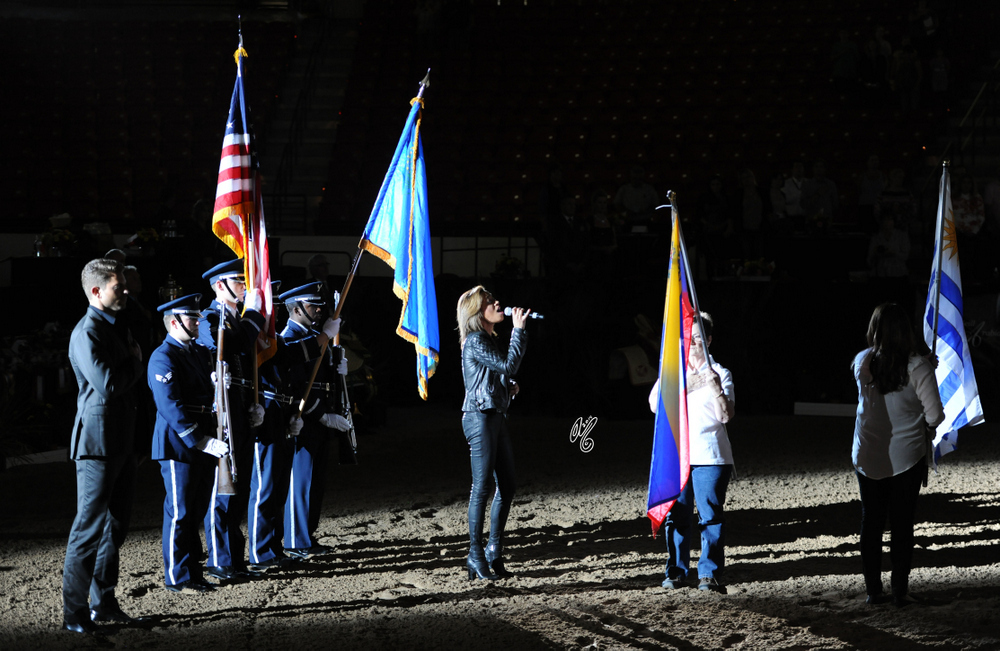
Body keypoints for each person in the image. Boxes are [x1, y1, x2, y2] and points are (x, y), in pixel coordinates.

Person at [63, 258, 145, 633]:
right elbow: (109, 385)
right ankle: (74, 613)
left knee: (114, 528)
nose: (125, 290)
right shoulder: (87, 332)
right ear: (96, 291)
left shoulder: (110, 327)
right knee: (88, 529)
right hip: (97, 445)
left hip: (118, 442)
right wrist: (135, 362)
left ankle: (103, 602)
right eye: (118, 285)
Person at [851, 303, 944, 607]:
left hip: (867, 455)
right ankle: (899, 592)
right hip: (906, 457)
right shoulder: (918, 368)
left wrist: (922, 366)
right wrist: (926, 368)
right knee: (902, 524)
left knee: (871, 522)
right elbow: (935, 416)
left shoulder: (861, 362)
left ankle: (872, 590)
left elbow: (885, 372)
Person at [148, 294, 230, 594]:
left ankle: (194, 571)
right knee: (180, 511)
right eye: (191, 318)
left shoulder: (197, 352)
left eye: (196, 317)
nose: (197, 321)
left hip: (203, 437)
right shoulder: (163, 356)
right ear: (174, 322)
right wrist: (200, 440)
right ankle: (177, 576)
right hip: (178, 444)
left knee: (195, 511)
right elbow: (171, 407)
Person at [648, 312, 735, 594]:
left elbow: (726, 416)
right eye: (689, 337)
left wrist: (716, 389)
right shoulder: (673, 371)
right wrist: (692, 383)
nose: (693, 343)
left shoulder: (720, 372)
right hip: (678, 456)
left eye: (699, 338)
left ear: (709, 341)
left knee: (710, 517)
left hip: (710, 455)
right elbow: (654, 404)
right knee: (678, 516)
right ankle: (676, 571)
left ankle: (708, 573)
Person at [195, 259, 266, 580]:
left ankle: (235, 560)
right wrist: (253, 316)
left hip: (239, 410)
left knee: (241, 486)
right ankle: (220, 560)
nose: (246, 287)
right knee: (222, 490)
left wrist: (256, 402)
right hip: (220, 415)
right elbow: (232, 345)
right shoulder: (210, 318)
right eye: (239, 281)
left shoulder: (233, 320)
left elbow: (247, 366)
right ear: (219, 286)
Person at [456, 287, 530, 580]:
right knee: (482, 487)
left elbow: (497, 373)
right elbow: (508, 364)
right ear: (477, 312)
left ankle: (493, 551)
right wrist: (518, 331)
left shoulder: (485, 340)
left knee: (508, 485)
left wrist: (508, 387)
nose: (498, 303)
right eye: (490, 301)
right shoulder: (475, 340)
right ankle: (475, 554)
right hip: (479, 418)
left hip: (494, 417)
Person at [277, 282, 349, 559]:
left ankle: (307, 534)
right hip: (305, 418)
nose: (319, 310)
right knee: (301, 481)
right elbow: (296, 385)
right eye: (312, 305)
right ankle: (296, 539)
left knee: (315, 482)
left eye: (320, 305)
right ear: (296, 309)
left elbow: (321, 380)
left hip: (321, 418)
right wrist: (321, 414)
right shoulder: (289, 339)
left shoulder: (317, 337)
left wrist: (336, 367)